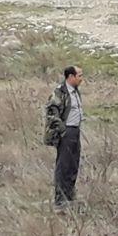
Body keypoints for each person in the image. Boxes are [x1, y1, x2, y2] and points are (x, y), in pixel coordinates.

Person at [44, 66, 85, 206]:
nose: (81, 78)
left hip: (75, 131)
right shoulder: (60, 92)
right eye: (79, 75)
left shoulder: (75, 92)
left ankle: (70, 196)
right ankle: (60, 199)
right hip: (66, 132)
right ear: (71, 77)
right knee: (63, 166)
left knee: (73, 165)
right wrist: (62, 130)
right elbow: (51, 112)